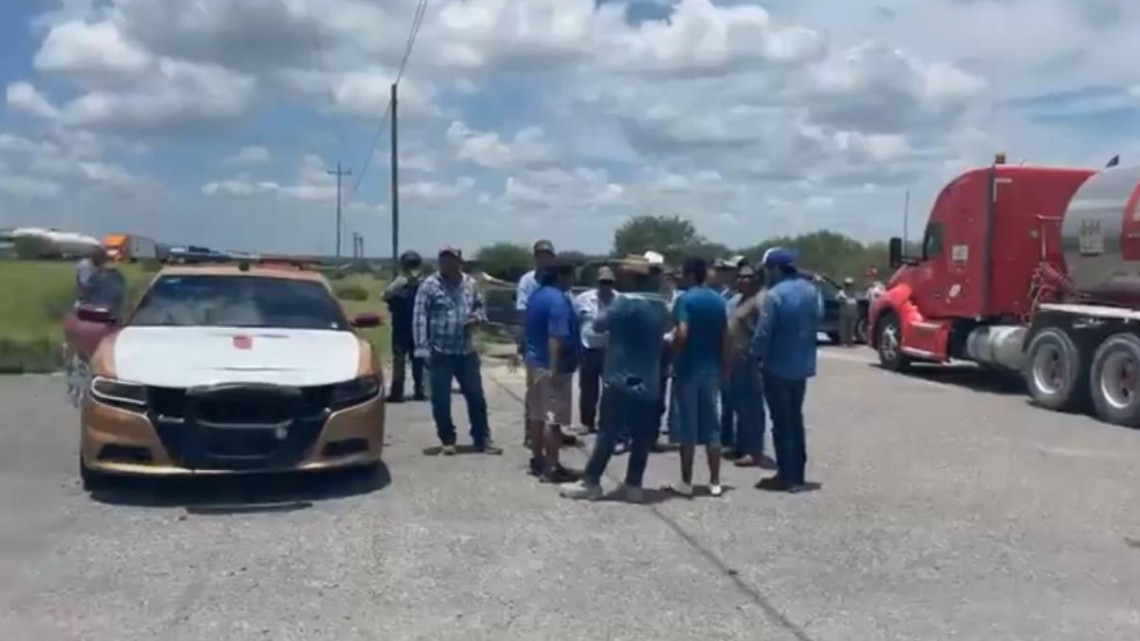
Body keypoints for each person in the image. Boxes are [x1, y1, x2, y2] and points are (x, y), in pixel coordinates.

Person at [560, 266, 669, 502]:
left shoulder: (625, 303)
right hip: (649, 379)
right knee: (641, 436)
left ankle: (591, 481)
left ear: (633, 278)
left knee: (608, 432)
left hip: (622, 377)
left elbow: (598, 325)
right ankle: (634, 484)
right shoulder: (661, 306)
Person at [413, 246, 501, 456]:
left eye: (451, 259)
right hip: (439, 351)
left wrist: (476, 318)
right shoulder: (429, 285)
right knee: (441, 399)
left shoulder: (470, 284)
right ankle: (447, 439)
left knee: (476, 397)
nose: (447, 263)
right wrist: (422, 349)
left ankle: (482, 438)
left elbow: (481, 308)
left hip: (466, 350)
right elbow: (419, 317)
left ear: (460, 262)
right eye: (443, 259)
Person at [752, 248, 821, 492]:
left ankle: (786, 476)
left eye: (768, 269)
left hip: (776, 366)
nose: (766, 274)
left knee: (781, 422)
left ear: (776, 269)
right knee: (795, 419)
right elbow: (818, 319)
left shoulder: (775, 295)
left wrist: (755, 356)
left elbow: (763, 332)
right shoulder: (812, 291)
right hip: (802, 365)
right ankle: (798, 474)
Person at [667, 257, 731, 498]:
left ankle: (687, 480)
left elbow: (682, 332)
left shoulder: (685, 299)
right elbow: (725, 337)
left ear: (692, 274)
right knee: (712, 425)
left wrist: (673, 354)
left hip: (688, 370)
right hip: (712, 369)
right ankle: (715, 481)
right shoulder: (718, 301)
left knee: (688, 427)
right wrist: (726, 368)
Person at [524, 258, 580, 483]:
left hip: (534, 362)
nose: (572, 281)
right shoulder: (558, 300)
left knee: (537, 415)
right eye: (570, 276)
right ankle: (552, 467)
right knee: (553, 419)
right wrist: (555, 369)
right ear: (560, 277)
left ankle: (537, 460)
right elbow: (556, 336)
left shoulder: (536, 296)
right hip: (551, 365)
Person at [726, 266, 774, 469]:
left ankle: (753, 451)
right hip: (734, 360)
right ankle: (741, 444)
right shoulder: (739, 299)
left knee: (752, 406)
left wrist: (754, 352)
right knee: (739, 404)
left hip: (750, 360)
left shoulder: (761, 299)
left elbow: (765, 330)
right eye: (740, 277)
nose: (742, 280)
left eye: (747, 277)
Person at [515, 239, 557, 446]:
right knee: (535, 390)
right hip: (536, 343)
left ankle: (551, 430)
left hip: (555, 342)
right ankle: (531, 433)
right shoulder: (527, 281)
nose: (544, 259)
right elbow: (522, 312)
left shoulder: (558, 281)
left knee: (555, 390)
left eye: (547, 255)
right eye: (540, 255)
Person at [574, 266, 618, 436]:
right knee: (587, 388)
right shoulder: (584, 299)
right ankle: (587, 422)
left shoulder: (619, 300)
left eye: (609, 282)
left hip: (610, 350)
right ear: (597, 282)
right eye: (603, 282)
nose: (606, 286)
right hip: (588, 348)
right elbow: (575, 320)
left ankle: (606, 423)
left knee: (610, 390)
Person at [383, 250, 426, 403]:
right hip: (414, 326)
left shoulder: (403, 281)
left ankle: (400, 392)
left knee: (403, 361)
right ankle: (418, 391)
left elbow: (385, 295)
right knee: (417, 361)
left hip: (404, 326)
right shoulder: (420, 282)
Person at [837, 276, 859, 347]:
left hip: (852, 311)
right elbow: (837, 299)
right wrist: (843, 300)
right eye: (848, 284)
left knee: (851, 327)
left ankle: (850, 342)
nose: (849, 286)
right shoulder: (841, 292)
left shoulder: (854, 292)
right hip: (844, 310)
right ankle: (843, 342)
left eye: (850, 284)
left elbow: (857, 301)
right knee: (844, 327)